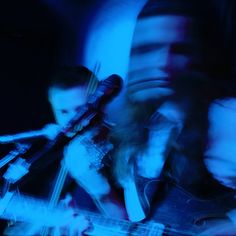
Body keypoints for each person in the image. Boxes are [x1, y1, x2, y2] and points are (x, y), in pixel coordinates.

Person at [109, 0, 236, 232]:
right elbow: (140, 224)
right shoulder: (136, 136)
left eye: (180, 50)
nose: (162, 63)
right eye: (148, 49)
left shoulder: (228, 118)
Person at [0, 65, 127, 235]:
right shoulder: (55, 153)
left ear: (101, 104)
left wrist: (102, 192)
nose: (73, 119)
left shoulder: (125, 147)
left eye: (81, 109)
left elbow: (135, 226)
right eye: (63, 111)